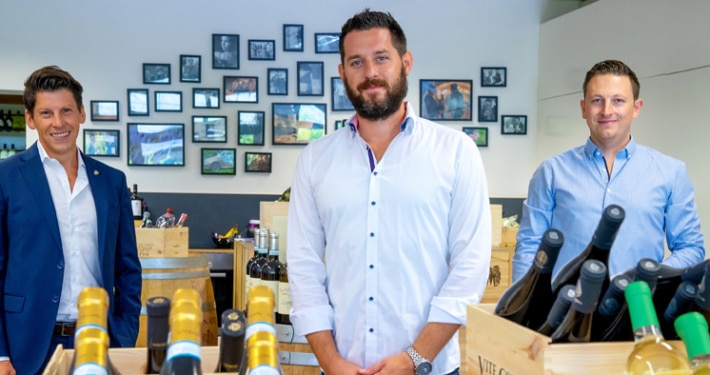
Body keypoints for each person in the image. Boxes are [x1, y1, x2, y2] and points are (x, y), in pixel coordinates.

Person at [287, 9, 491, 375]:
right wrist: (331, 362)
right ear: (342, 73)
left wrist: (415, 357)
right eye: (356, 62)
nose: (370, 73)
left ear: (405, 62)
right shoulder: (315, 159)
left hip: (430, 369)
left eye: (381, 58)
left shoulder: (456, 152)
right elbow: (303, 270)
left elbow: (470, 268)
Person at [0, 66, 142, 374]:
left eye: (66, 110)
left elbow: (127, 269)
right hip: (25, 346)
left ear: (81, 113)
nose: (58, 122)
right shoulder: (6, 177)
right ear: (30, 118)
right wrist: (0, 354)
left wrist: (125, 333)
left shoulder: (111, 181)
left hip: (100, 341)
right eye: (46, 113)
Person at [512, 59, 705, 282]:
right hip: (564, 307)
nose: (606, 110)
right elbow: (529, 247)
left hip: (637, 308)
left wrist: (650, 276)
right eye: (597, 100)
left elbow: (690, 248)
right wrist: (519, 310)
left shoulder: (671, 172)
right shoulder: (551, 172)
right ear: (584, 108)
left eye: (618, 101)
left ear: (636, 107)